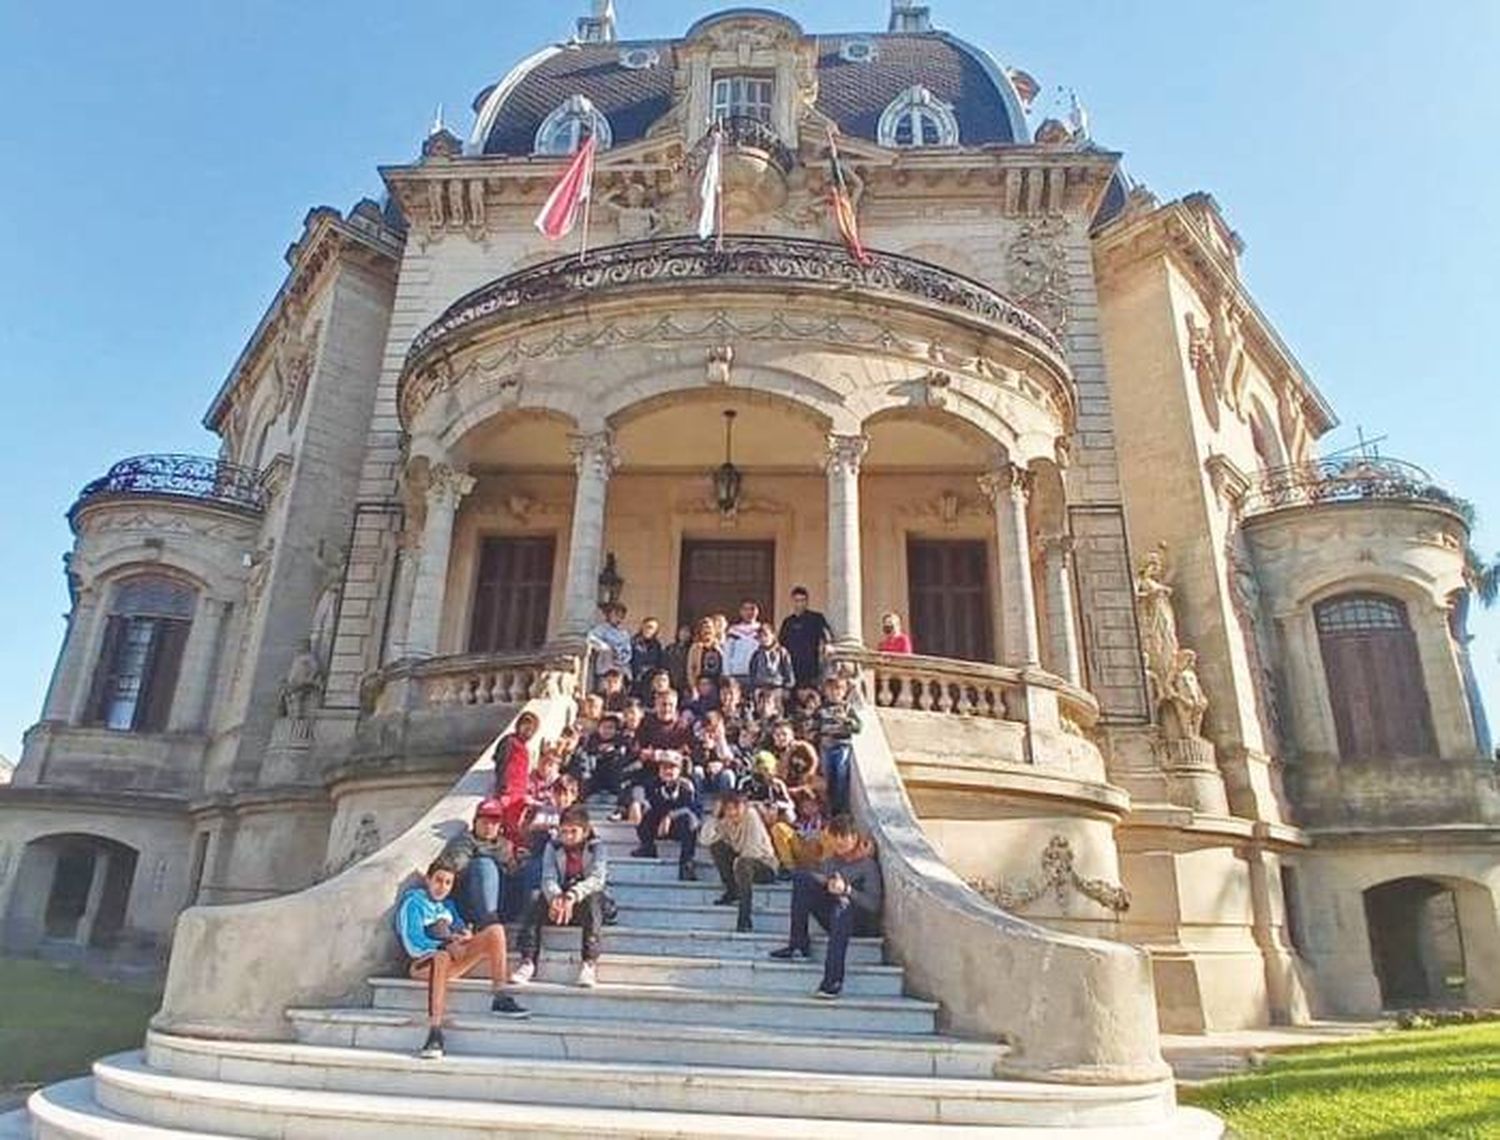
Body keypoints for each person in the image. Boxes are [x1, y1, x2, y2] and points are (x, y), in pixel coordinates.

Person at [396, 857, 529, 1059]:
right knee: (441, 957)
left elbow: (459, 928)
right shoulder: (413, 902)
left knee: (495, 931)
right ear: (428, 880)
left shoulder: (447, 906)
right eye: (438, 880)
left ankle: (500, 996)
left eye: (448, 883)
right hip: (425, 964)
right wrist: (445, 946)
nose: (443, 887)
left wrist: (466, 936)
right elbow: (411, 942)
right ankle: (435, 1032)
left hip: (453, 960)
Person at [770, 816, 882, 999]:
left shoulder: (867, 865)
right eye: (835, 836)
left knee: (842, 903)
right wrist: (824, 883)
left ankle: (832, 981)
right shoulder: (830, 862)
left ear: (854, 838)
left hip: (859, 921)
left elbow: (874, 904)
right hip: (834, 919)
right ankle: (798, 944)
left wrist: (847, 890)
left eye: (844, 837)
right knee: (802, 878)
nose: (839, 841)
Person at [511, 805, 608, 989]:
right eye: (564, 831)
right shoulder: (553, 846)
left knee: (593, 898)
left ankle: (588, 962)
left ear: (585, 832)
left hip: (583, 901)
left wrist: (571, 896)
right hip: (559, 903)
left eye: (574, 832)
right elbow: (548, 877)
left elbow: (597, 879)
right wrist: (556, 897)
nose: (568, 837)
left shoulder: (597, 847)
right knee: (534, 898)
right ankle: (528, 961)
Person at [700, 790, 780, 933]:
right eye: (728, 809)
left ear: (745, 806)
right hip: (742, 863)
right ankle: (732, 890)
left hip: (765, 865)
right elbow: (705, 840)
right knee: (717, 847)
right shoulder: (726, 821)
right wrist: (714, 817)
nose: (732, 813)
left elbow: (752, 851)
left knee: (743, 864)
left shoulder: (751, 816)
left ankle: (744, 918)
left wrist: (737, 863)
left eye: (736, 808)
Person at [441, 798, 518, 932]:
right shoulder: (465, 841)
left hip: (503, 901)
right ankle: (489, 922)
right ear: (475, 822)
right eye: (484, 822)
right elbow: (457, 864)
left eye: (494, 823)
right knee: (484, 865)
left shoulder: (505, 845)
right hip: (471, 902)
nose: (489, 827)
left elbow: (513, 872)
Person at [631, 750, 701, 880]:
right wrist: (637, 802)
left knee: (689, 820)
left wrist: (670, 816)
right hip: (658, 828)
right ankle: (647, 847)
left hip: (678, 828)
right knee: (642, 809)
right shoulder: (652, 783)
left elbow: (692, 809)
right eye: (664, 767)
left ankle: (686, 862)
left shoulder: (687, 785)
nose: (667, 771)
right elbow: (637, 788)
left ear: (679, 770)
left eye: (672, 767)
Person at [815, 675, 862, 815]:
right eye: (831, 690)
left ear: (844, 691)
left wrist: (847, 721)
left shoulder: (847, 708)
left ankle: (841, 808)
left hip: (841, 746)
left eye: (838, 690)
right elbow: (815, 726)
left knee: (840, 774)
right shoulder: (821, 709)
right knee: (827, 776)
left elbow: (858, 727)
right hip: (826, 746)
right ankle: (829, 807)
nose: (835, 693)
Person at [493, 711, 541, 846]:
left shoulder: (523, 745)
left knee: (517, 824)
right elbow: (501, 764)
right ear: (518, 726)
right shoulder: (509, 742)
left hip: (520, 792)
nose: (528, 732)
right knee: (509, 826)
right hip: (509, 791)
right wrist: (503, 790)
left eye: (532, 729)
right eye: (525, 727)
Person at [778, 586, 834, 690]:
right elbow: (781, 643)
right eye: (797, 600)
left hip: (811, 666)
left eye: (802, 600)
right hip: (791, 667)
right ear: (792, 602)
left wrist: (828, 644)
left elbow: (826, 634)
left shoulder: (816, 618)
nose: (799, 603)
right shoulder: (788, 622)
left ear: (807, 601)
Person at [587, 602, 633, 690]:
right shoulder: (602, 629)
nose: (618, 618)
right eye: (616, 615)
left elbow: (628, 649)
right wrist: (606, 647)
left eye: (621, 616)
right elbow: (591, 639)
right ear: (609, 615)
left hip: (620, 668)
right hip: (606, 668)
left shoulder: (624, 632)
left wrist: (622, 656)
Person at [747, 623, 795, 698]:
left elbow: (789, 671)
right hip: (761, 688)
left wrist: (787, 688)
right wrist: (753, 689)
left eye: (766, 635)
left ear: (773, 635)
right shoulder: (756, 655)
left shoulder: (782, 652)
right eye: (760, 637)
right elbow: (752, 673)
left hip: (778, 688)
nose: (763, 639)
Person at [723, 599, 763, 685]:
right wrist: (727, 674)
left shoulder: (762, 629)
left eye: (752, 609)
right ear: (741, 611)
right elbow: (727, 653)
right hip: (737, 673)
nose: (749, 612)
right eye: (745, 609)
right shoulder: (733, 630)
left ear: (757, 611)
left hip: (757, 674)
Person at [630, 617, 666, 700]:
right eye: (648, 626)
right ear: (642, 627)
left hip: (650, 682)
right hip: (635, 681)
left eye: (652, 628)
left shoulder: (657, 645)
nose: (649, 630)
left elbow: (659, 663)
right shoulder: (633, 642)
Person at [686, 616, 724, 693]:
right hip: (701, 683)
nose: (707, 630)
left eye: (709, 627)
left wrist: (718, 648)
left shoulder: (720, 646)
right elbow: (690, 669)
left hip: (716, 683)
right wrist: (693, 687)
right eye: (704, 628)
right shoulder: (695, 647)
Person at [663, 623, 694, 698]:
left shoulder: (692, 649)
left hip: (685, 683)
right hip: (671, 681)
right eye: (682, 631)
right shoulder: (670, 648)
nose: (684, 634)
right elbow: (664, 664)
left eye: (687, 632)